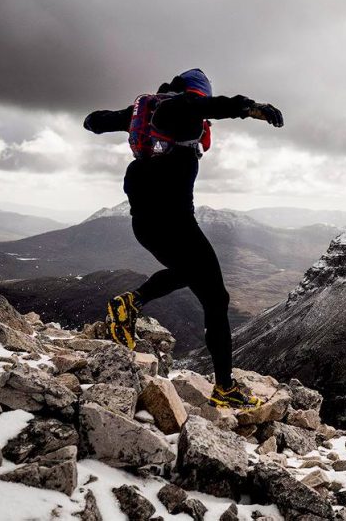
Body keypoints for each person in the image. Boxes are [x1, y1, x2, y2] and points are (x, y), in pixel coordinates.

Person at [83, 68, 283, 409]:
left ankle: (130, 303)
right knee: (216, 299)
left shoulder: (147, 112)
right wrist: (252, 108)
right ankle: (224, 388)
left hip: (145, 224)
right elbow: (212, 105)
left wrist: (103, 120)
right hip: (174, 222)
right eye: (200, 97)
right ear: (196, 93)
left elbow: (94, 121)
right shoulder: (183, 108)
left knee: (188, 274)